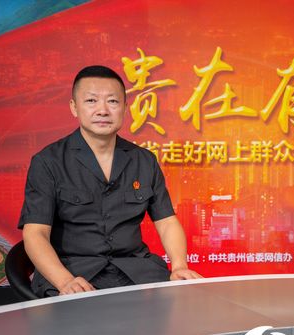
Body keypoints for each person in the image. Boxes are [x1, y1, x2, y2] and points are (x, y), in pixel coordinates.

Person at [18, 65, 202, 297]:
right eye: (91, 101)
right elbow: (35, 233)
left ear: (125, 108)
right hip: (73, 273)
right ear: (74, 107)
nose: (103, 110)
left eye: (113, 101)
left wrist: (179, 266)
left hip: (136, 272)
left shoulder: (143, 160)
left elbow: (166, 222)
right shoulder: (48, 162)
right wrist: (64, 281)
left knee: (182, 307)